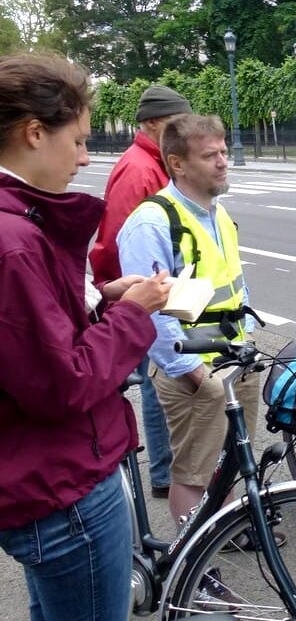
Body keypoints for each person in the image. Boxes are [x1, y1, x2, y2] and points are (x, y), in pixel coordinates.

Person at [0, 52, 170, 621]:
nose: (84, 156)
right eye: (75, 141)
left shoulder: (17, 226)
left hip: (37, 476)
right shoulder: (16, 240)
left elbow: (33, 347)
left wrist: (101, 298)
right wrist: (134, 313)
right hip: (62, 483)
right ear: (32, 133)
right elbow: (60, 384)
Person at [117, 114, 259, 535]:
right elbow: (150, 313)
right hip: (195, 368)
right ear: (177, 164)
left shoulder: (216, 212)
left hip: (233, 357)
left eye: (224, 152)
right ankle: (194, 565)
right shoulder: (152, 222)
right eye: (210, 155)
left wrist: (246, 343)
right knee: (194, 470)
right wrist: (194, 374)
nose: (222, 161)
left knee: (233, 456)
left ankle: (224, 537)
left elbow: (235, 282)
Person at [90, 84, 193, 499]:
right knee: (158, 378)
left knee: (159, 378)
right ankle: (165, 473)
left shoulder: (152, 161)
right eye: (174, 122)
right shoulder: (140, 168)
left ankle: (166, 471)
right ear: (152, 123)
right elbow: (121, 238)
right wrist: (130, 297)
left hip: (150, 288)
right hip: (142, 290)